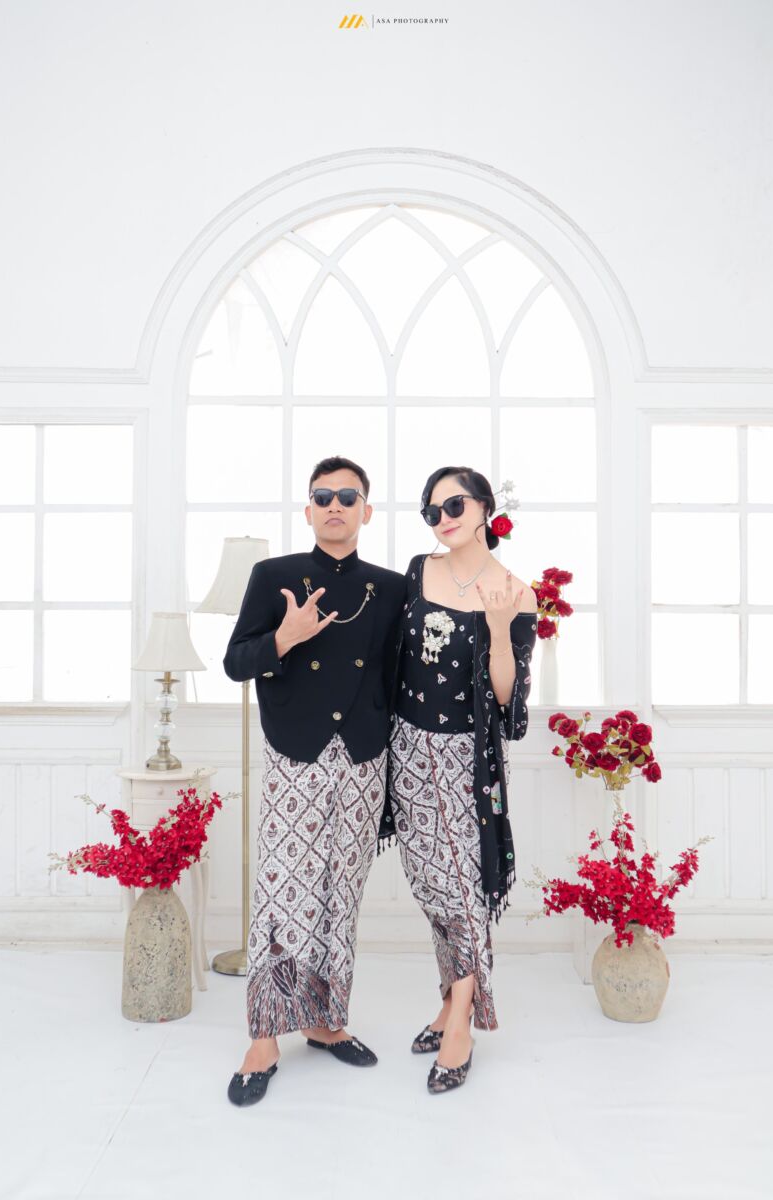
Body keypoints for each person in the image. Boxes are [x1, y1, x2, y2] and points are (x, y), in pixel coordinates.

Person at [223, 455, 406, 1107]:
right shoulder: (273, 576)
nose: (335, 505)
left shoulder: (391, 587)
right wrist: (285, 637)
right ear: (307, 510)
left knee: (340, 892)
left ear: (366, 511)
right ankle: (264, 1037)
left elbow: (397, 677)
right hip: (295, 752)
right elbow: (235, 663)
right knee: (282, 892)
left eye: (347, 496)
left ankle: (326, 1022)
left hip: (363, 759)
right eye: (323, 496)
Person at [379, 466, 538, 1094]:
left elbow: (508, 704)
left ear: (484, 509)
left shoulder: (516, 592)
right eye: (431, 510)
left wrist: (497, 629)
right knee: (431, 883)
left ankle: (463, 1020)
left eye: (454, 505)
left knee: (464, 889)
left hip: (465, 759)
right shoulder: (419, 570)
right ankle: (449, 1000)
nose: (442, 518)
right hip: (406, 748)